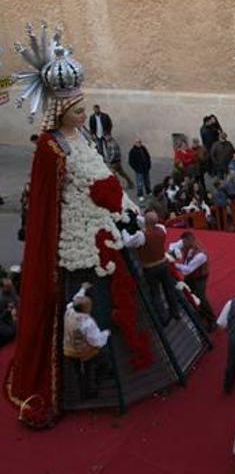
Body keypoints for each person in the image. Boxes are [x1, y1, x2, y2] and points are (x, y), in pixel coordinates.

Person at [7, 27, 153, 427]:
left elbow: (100, 171)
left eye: (82, 107)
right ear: (58, 111)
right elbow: (47, 200)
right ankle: (76, 383)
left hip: (106, 224)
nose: (82, 114)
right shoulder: (50, 148)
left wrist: (121, 204)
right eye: (75, 110)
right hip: (77, 235)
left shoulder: (84, 135)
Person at [62, 283, 111, 399]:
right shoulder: (87, 323)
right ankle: (91, 389)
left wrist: (83, 289)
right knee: (100, 364)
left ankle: (80, 390)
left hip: (69, 348)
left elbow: (76, 299)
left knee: (77, 371)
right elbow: (95, 341)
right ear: (86, 309)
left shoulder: (70, 310)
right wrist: (106, 333)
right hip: (84, 350)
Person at [134, 211, 183, 325]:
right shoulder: (161, 229)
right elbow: (149, 221)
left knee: (155, 293)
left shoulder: (142, 235)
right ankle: (175, 312)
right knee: (169, 290)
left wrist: (124, 232)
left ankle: (163, 318)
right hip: (163, 264)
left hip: (150, 268)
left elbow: (128, 242)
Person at [169, 231, 215, 331]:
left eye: (185, 242)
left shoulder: (201, 254)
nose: (183, 244)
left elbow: (188, 269)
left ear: (191, 240)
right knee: (188, 292)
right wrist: (171, 253)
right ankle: (199, 314)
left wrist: (173, 264)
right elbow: (172, 246)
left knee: (200, 296)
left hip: (200, 277)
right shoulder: (185, 243)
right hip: (190, 275)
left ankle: (211, 319)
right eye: (183, 242)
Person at [0, 277, 18, 347]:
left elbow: (17, 299)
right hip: (3, 322)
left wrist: (15, 305)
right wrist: (7, 310)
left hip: (12, 318)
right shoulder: (1, 299)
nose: (10, 288)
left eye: (11, 286)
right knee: (11, 332)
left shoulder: (12, 291)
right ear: (2, 288)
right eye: (8, 287)